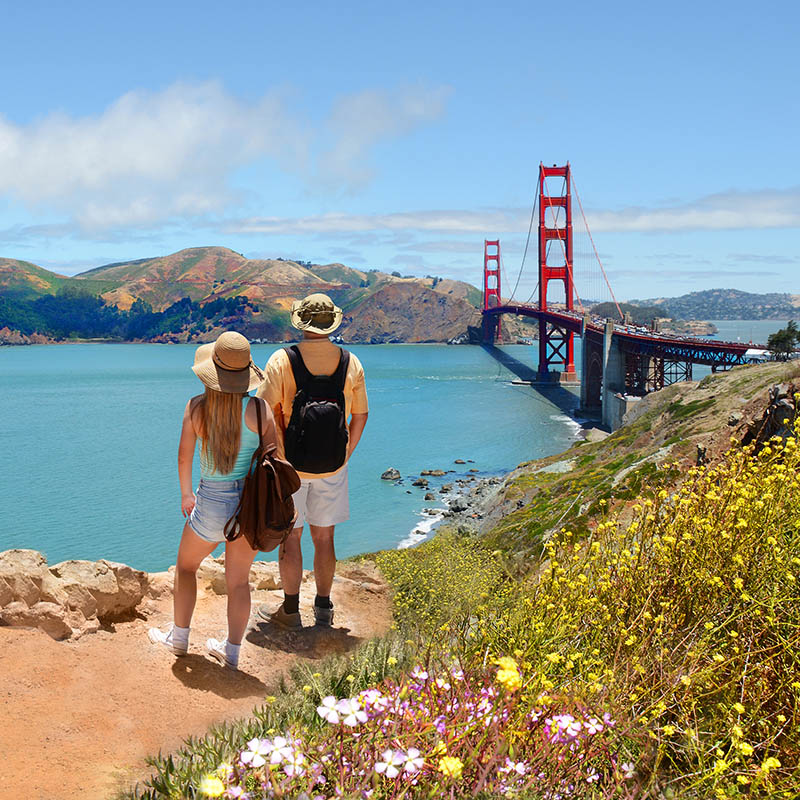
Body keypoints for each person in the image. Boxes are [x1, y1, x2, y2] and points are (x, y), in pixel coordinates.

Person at [148, 331, 277, 670]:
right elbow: (277, 460)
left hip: (210, 502)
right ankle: (232, 653)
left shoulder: (196, 407)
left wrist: (186, 494)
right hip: (248, 507)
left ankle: (179, 638)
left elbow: (183, 457)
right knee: (238, 582)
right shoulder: (260, 410)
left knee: (187, 568)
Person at [256, 293, 368, 629]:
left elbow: (262, 412)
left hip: (289, 469)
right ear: (331, 322)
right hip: (332, 466)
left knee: (291, 537)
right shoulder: (351, 361)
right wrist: (344, 455)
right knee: (325, 538)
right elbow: (360, 416)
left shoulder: (281, 360)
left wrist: (276, 459)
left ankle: (290, 612)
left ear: (301, 322)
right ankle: (323, 609)